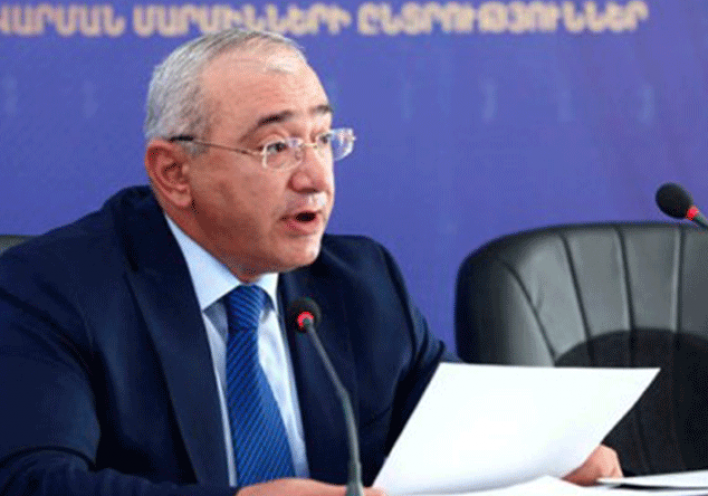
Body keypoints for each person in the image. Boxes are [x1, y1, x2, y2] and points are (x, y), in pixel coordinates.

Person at [0, 28, 621, 496]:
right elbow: (34, 481)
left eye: (322, 139)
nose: (315, 177)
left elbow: (457, 433)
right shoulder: (54, 288)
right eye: (276, 146)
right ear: (174, 173)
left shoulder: (362, 282)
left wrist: (544, 460)